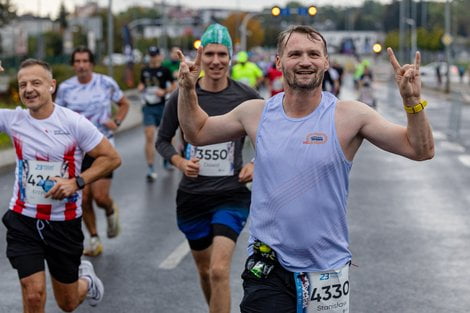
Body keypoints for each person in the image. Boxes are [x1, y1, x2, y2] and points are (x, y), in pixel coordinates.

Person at [176, 25, 434, 313]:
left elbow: (420, 149)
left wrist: (412, 102)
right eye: (295, 53)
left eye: (313, 54)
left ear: (325, 61)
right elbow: (196, 131)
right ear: (278, 61)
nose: (305, 61)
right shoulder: (255, 113)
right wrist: (187, 90)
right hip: (268, 268)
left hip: (327, 272)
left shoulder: (350, 116)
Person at [156, 23, 262, 313]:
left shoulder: (247, 96)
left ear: (231, 56)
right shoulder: (183, 95)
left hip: (231, 194)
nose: (216, 61)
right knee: (205, 273)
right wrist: (179, 161)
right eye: (210, 54)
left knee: (218, 270)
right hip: (192, 196)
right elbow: (162, 141)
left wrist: (255, 164)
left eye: (222, 54)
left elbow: (272, 141)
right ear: (200, 57)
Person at [1, 59, 121, 312]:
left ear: (52, 86)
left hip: (63, 223)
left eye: (36, 83)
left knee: (67, 302)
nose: (29, 89)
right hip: (23, 220)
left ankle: (86, 281)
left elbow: (111, 158)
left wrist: (76, 182)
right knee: (33, 294)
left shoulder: (73, 123)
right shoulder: (13, 120)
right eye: (23, 85)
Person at [55, 46, 129, 256]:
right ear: (73, 64)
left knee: (99, 196)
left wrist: (117, 121)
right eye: (77, 61)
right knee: (83, 197)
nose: (81, 65)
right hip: (78, 150)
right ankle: (94, 238)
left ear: (91, 64)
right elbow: (58, 116)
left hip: (103, 148)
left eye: (85, 61)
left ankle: (110, 208)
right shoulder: (66, 89)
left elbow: (124, 104)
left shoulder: (105, 83)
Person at [138, 46, 175, 181]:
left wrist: (164, 92)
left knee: (167, 136)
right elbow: (141, 84)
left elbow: (173, 86)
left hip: (162, 106)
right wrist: (140, 87)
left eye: (155, 55)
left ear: (159, 56)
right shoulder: (145, 70)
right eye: (151, 55)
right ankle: (150, 167)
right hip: (148, 107)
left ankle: (166, 157)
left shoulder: (165, 70)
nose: (153, 58)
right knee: (149, 136)